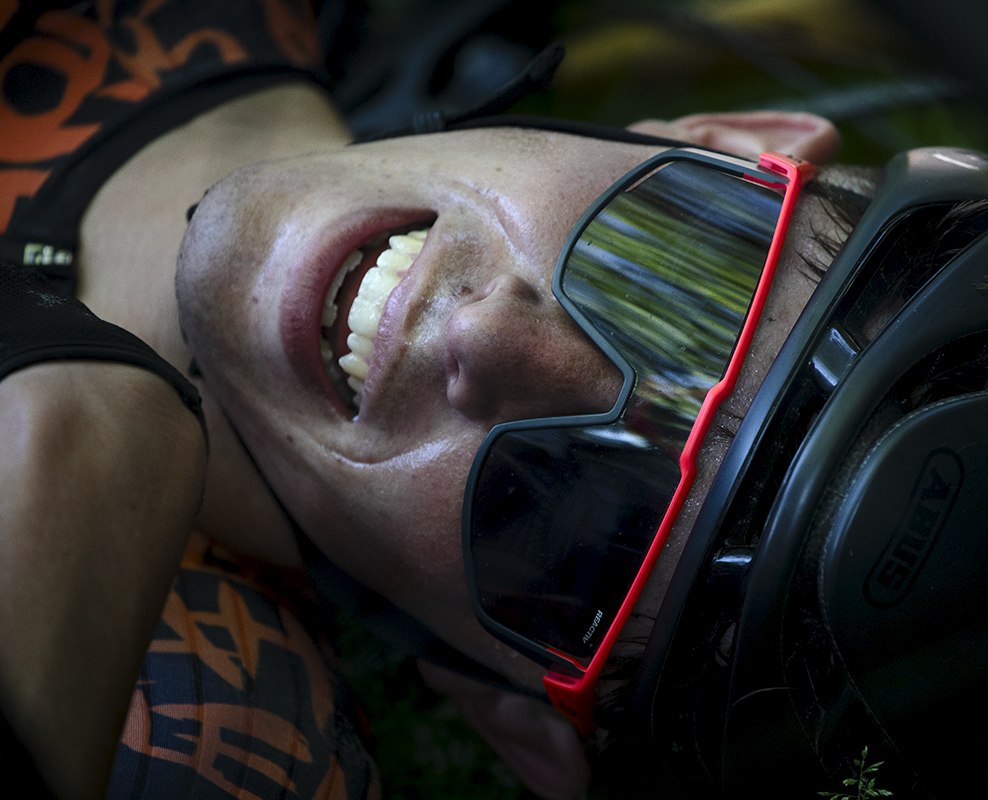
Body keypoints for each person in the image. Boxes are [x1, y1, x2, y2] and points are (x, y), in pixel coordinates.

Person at [0, 1, 846, 797]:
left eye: (560, 515)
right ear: (731, 140)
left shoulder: (194, 744)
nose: (487, 339)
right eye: (669, 292)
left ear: (516, 719)